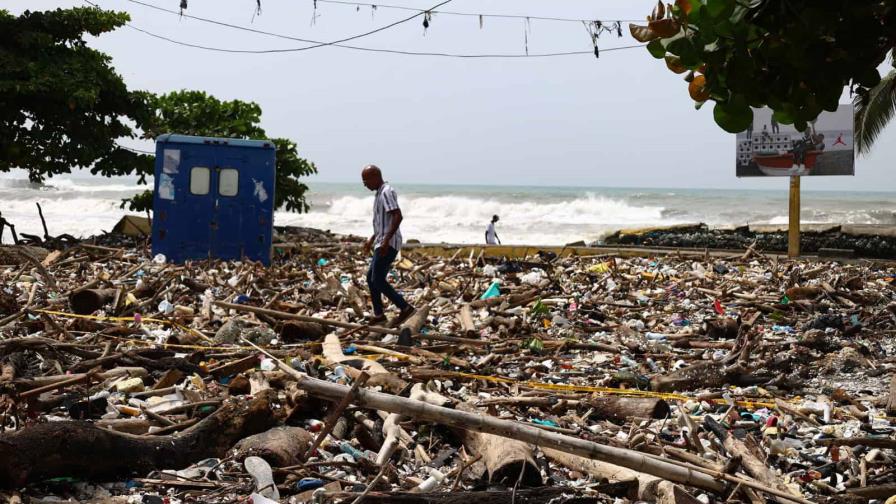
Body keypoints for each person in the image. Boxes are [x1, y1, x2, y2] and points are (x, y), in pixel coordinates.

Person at [361, 164, 414, 324]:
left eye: (366, 181)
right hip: (382, 240)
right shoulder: (379, 194)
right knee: (371, 277)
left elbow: (397, 216)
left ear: (375, 177)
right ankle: (378, 314)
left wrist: (385, 241)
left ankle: (405, 307)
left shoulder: (386, 192)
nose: (365, 185)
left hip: (388, 243)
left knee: (377, 279)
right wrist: (372, 239)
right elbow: (383, 223)